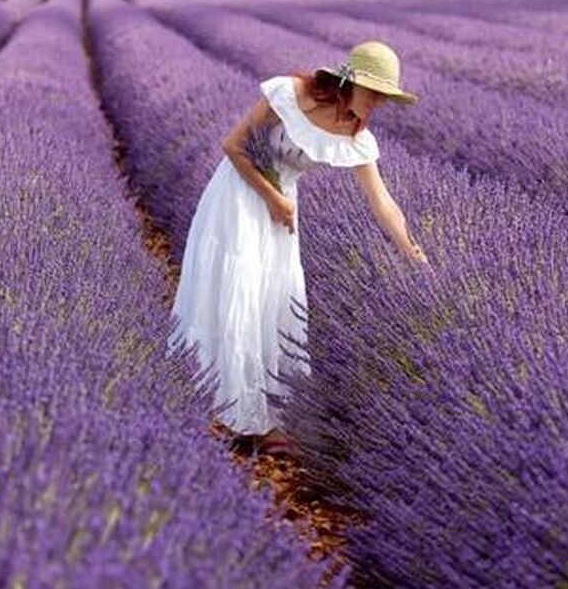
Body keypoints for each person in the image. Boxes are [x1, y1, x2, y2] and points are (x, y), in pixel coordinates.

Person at [168, 39, 427, 457]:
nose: (378, 104)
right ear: (349, 82)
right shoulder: (290, 94)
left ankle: (261, 418)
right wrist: (274, 197)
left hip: (281, 211)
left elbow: (383, 203)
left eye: (385, 98)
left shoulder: (357, 137)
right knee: (241, 292)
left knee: (274, 302)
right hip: (240, 197)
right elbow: (233, 147)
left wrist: (413, 253)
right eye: (374, 93)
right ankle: (223, 409)